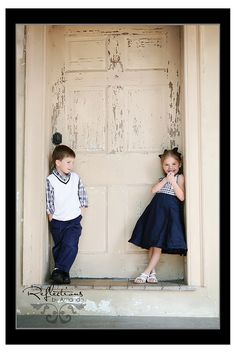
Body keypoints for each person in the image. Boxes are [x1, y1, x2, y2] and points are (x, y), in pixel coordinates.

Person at [128, 147, 187, 284]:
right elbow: (153, 190)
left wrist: (173, 181)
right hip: (156, 212)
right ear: (162, 166)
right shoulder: (162, 179)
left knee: (158, 244)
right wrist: (166, 180)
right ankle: (152, 273)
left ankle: (145, 272)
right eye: (166, 164)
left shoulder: (180, 178)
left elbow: (181, 197)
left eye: (173, 164)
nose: (170, 167)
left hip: (169, 214)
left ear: (180, 164)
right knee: (153, 243)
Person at [46, 144, 88, 285]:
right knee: (60, 246)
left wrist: (82, 210)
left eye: (72, 162)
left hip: (73, 219)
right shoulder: (50, 180)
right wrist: (51, 215)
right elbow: (49, 198)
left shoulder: (75, 178)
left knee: (70, 245)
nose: (71, 165)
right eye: (68, 162)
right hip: (57, 220)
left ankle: (58, 270)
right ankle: (63, 274)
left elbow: (82, 193)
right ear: (58, 162)